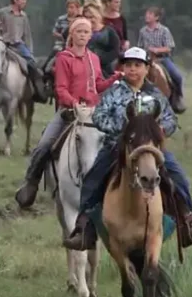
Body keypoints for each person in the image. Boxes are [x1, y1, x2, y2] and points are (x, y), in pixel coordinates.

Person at [62, 47, 192, 251]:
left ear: (147, 69)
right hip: (118, 146)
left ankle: (187, 220)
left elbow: (170, 120)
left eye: (138, 65)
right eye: (129, 65)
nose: (133, 70)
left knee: (178, 176)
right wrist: (123, 130)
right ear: (123, 68)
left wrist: (161, 129)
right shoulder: (113, 92)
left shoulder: (156, 94)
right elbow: (99, 116)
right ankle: (84, 228)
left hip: (151, 148)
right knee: (93, 178)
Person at [13, 17, 122, 208]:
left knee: (116, 144)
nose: (82, 35)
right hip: (69, 112)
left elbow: (98, 85)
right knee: (44, 144)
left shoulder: (94, 58)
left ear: (90, 36)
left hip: (93, 113)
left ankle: (116, 189)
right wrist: (74, 103)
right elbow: (61, 89)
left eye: (86, 32)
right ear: (72, 34)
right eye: (79, 31)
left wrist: (114, 79)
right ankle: (31, 183)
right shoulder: (64, 57)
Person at [137, 7, 186, 113]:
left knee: (178, 77)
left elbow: (169, 47)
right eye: (147, 14)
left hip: (163, 59)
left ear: (157, 17)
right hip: (146, 59)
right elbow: (140, 46)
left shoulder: (164, 30)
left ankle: (178, 99)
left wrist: (157, 50)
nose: (147, 16)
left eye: (150, 14)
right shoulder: (142, 31)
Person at [83, 3, 121, 77]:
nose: (89, 20)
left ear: (98, 16)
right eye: (86, 17)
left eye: (91, 17)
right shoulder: (80, 31)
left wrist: (100, 60)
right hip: (84, 68)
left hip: (105, 70)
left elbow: (115, 50)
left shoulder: (109, 31)